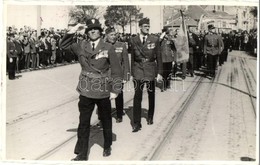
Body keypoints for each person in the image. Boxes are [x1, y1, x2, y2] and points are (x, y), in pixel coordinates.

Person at [59, 18, 123, 160]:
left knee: (106, 118)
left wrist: (115, 90)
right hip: (86, 88)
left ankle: (107, 145)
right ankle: (82, 153)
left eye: (96, 29)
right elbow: (63, 46)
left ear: (100, 32)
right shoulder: (81, 46)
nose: (93, 31)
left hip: (102, 89)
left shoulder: (108, 47)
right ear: (87, 33)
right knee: (84, 122)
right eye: (90, 30)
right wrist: (73, 30)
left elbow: (117, 70)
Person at [130, 17, 163, 132]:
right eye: (145, 26)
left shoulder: (155, 39)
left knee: (151, 94)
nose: (147, 28)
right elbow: (133, 58)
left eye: (148, 26)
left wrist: (159, 73)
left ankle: (150, 116)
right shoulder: (133, 40)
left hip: (150, 69)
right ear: (140, 27)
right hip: (138, 69)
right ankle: (136, 123)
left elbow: (159, 57)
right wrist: (132, 73)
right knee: (137, 96)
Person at [105, 26, 130, 122]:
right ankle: (104, 116)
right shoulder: (103, 45)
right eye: (111, 35)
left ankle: (119, 115)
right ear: (106, 36)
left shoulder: (121, 45)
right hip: (106, 74)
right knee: (104, 96)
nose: (113, 36)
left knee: (119, 95)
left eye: (115, 34)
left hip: (118, 74)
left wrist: (126, 76)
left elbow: (125, 61)